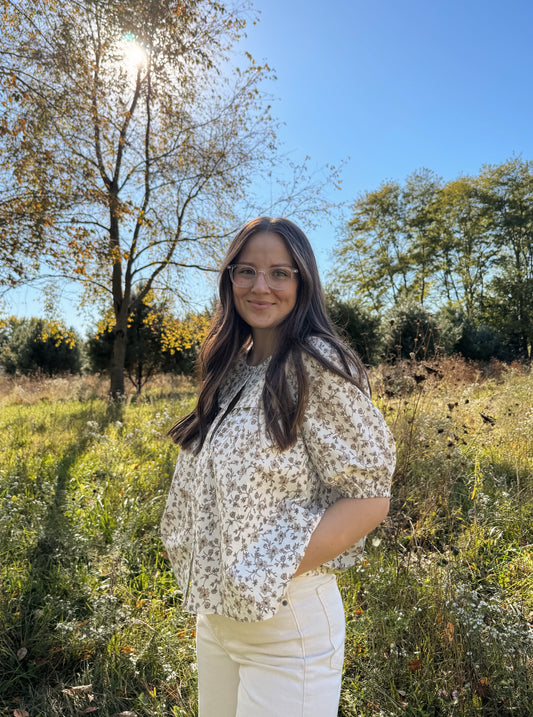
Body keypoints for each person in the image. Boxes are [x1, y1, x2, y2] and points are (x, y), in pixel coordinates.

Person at [161, 216, 396, 717]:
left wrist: (266, 571)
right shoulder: (234, 366)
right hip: (219, 620)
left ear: (302, 281)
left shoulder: (315, 363)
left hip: (286, 626)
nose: (260, 286)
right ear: (230, 280)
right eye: (246, 271)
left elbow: (370, 496)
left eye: (279, 273)